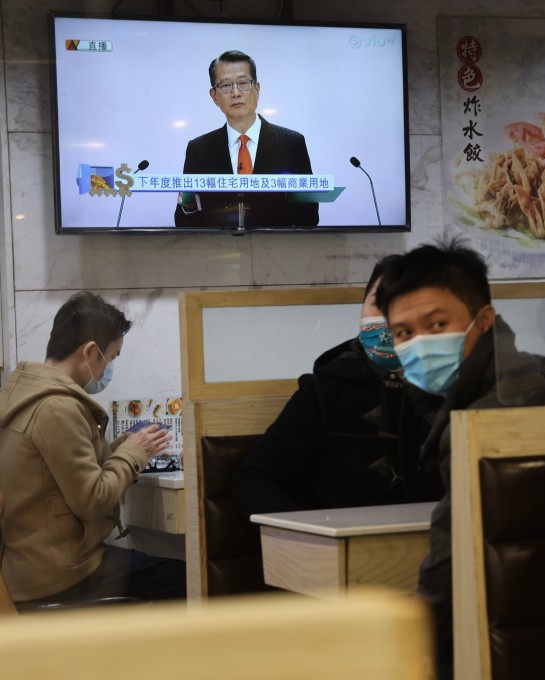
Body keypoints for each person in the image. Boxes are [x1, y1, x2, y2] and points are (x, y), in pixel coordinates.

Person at [374, 240, 545, 680]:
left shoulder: (487, 419)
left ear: (484, 320)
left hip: (526, 642)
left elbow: (450, 565)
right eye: (403, 333)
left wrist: (411, 649)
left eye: (437, 324)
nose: (420, 344)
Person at [0, 292, 186, 609]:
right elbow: (92, 499)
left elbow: (58, 475)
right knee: (189, 579)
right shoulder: (56, 408)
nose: (108, 369)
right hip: (60, 574)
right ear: (89, 351)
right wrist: (133, 454)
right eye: (111, 357)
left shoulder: (20, 392)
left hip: (27, 566)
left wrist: (121, 448)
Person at [232, 256, 442, 517]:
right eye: (381, 304)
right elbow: (254, 480)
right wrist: (309, 539)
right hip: (344, 550)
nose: (390, 318)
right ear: (362, 307)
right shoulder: (324, 389)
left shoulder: (455, 389)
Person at [174, 50, 318, 228]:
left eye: (243, 83)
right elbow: (183, 222)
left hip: (276, 249)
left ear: (257, 89)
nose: (236, 93)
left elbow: (310, 216)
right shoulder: (199, 148)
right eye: (226, 85)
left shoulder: (292, 142)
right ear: (214, 96)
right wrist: (188, 206)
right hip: (218, 250)